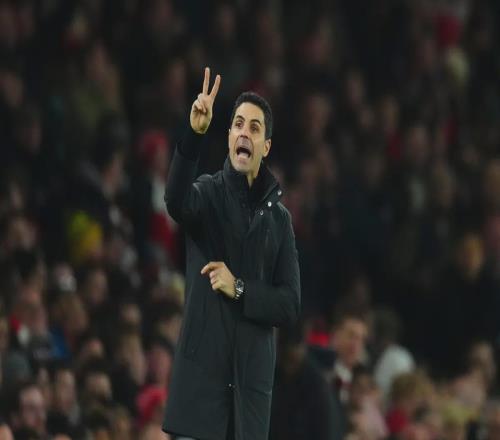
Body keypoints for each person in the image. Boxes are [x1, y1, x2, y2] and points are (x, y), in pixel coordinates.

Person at [162, 67, 300, 440]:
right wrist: (193, 135)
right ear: (227, 137)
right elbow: (175, 200)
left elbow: (289, 304)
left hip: (247, 404)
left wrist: (239, 288)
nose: (244, 133)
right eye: (238, 124)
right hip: (201, 400)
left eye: (254, 128)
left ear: (265, 147)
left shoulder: (280, 221)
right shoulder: (207, 194)